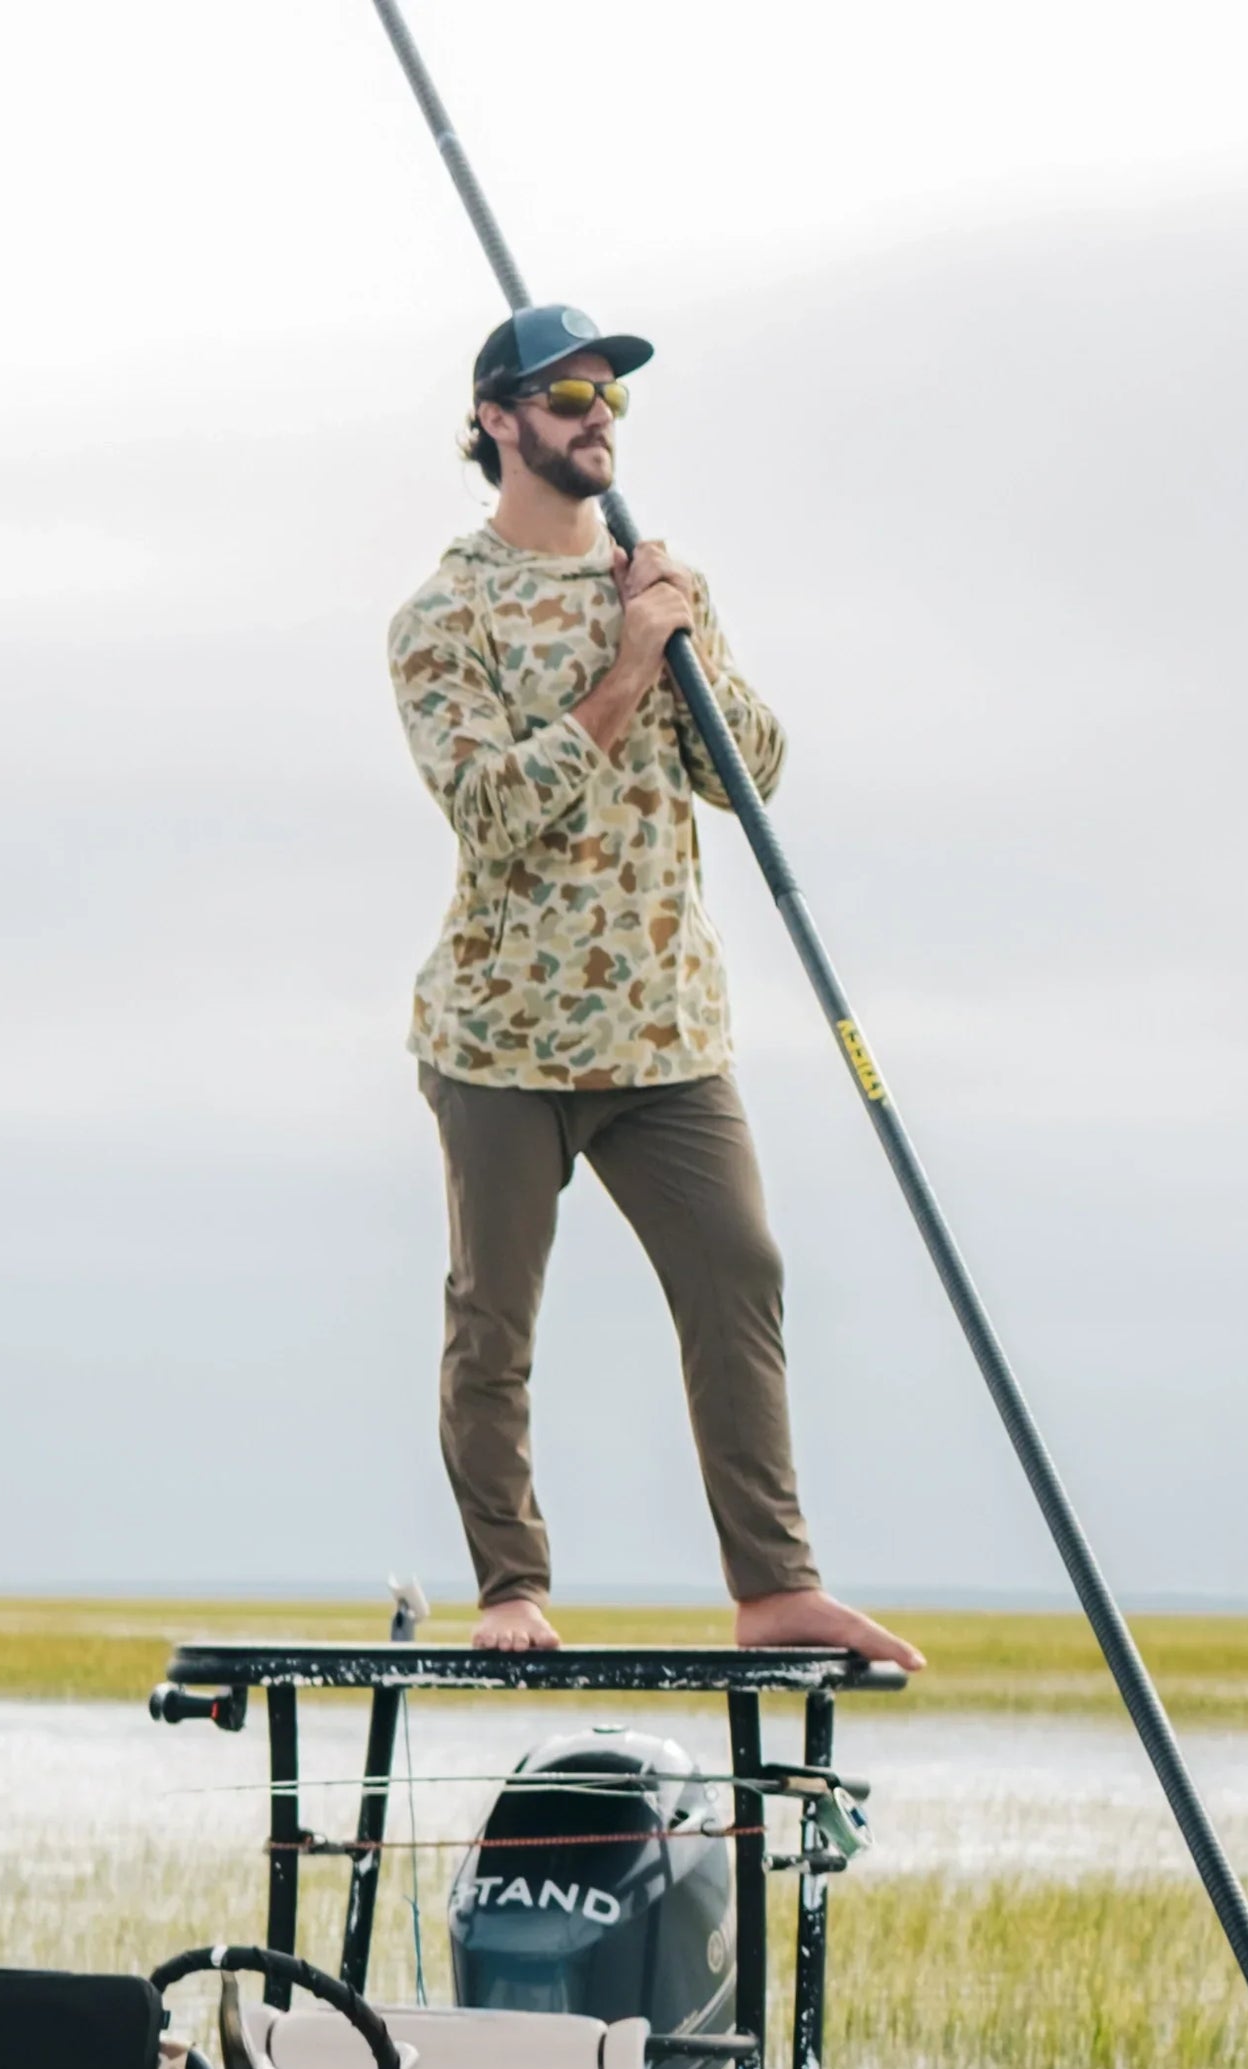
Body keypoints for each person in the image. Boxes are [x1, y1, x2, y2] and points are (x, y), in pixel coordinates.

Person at [388, 301, 923, 1673]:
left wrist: (678, 639)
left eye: (608, 395)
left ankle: (775, 1585)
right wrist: (622, 672)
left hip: (665, 1032)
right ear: (498, 422)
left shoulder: (658, 582)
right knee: (494, 1317)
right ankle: (510, 1583)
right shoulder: (444, 615)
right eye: (562, 394)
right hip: (504, 1038)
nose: (595, 415)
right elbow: (495, 810)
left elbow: (752, 776)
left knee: (739, 1271)